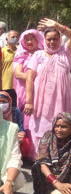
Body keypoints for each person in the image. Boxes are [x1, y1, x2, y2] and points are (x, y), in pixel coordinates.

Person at [25, 18, 71, 159]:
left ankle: (61, 160)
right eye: (49, 39)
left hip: (61, 101)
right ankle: (43, 160)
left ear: (60, 40)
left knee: (61, 127)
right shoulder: (38, 55)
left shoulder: (65, 52)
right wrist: (29, 101)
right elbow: (29, 78)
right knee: (42, 130)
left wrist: (57, 26)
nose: (52, 42)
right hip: (41, 103)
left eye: (55, 39)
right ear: (44, 40)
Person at [13, 29, 44, 144]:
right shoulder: (21, 55)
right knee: (25, 117)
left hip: (41, 91)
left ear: (39, 40)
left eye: (32, 39)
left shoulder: (44, 54)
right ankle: (27, 148)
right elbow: (18, 74)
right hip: (24, 92)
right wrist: (38, 78)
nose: (29, 42)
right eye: (27, 39)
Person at [32, 112, 71, 194]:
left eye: (64, 127)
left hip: (67, 176)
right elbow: (43, 163)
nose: (59, 130)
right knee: (37, 165)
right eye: (57, 126)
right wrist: (56, 183)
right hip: (49, 175)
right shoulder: (48, 136)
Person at [1, 30, 19, 107]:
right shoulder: (2, 51)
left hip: (18, 86)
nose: (15, 38)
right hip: (6, 85)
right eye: (12, 37)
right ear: (6, 39)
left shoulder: (20, 51)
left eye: (16, 37)